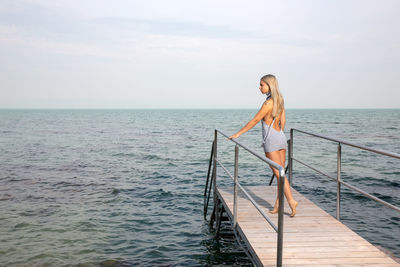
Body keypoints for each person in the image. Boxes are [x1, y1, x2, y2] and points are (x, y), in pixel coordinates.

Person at [229, 74, 298, 217]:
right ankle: (278, 204)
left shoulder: (267, 104)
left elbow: (255, 120)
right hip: (281, 137)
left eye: (262, 85)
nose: (259, 87)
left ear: (269, 85)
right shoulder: (280, 101)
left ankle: (291, 201)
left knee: (279, 175)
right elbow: (283, 122)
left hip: (271, 140)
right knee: (280, 174)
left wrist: (238, 133)